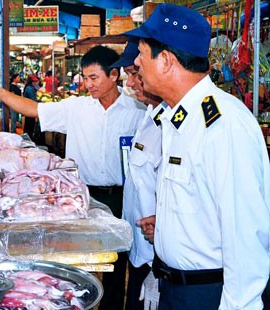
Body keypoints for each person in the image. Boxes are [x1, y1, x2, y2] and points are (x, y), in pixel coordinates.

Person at [0, 45, 146, 310]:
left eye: (93, 78)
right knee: (80, 258)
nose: (88, 84)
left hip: (124, 196)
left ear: (114, 75)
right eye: (85, 78)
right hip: (82, 196)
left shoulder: (138, 109)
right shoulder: (76, 108)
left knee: (119, 260)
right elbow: (33, 109)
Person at [126, 4, 270, 309]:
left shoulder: (222, 124)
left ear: (165, 60)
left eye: (141, 53)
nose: (136, 63)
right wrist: (167, 224)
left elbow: (245, 236)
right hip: (174, 289)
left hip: (209, 296)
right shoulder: (177, 118)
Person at [111, 37, 166, 310]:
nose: (131, 84)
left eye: (136, 74)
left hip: (159, 258)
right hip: (140, 252)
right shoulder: (148, 116)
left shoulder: (172, 125)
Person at [22, 74, 40, 140]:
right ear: (31, 82)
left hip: (28, 109)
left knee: (28, 125)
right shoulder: (30, 89)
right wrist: (40, 101)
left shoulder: (30, 87)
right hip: (30, 109)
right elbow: (33, 100)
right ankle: (28, 139)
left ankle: (27, 138)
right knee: (30, 125)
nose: (36, 83)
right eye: (35, 81)